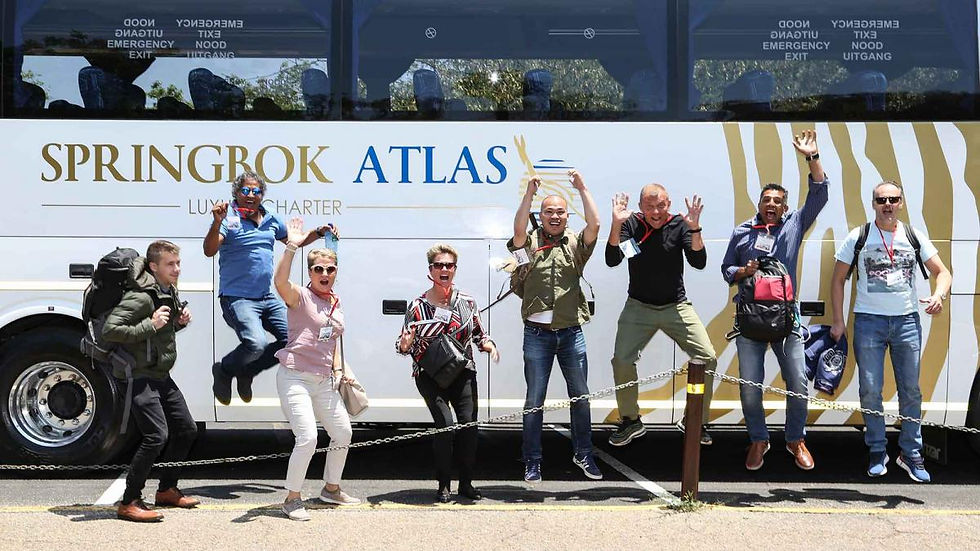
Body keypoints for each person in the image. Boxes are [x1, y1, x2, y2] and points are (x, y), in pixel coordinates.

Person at [720, 129, 828, 471]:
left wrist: (812, 158)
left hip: (786, 317)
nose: (771, 205)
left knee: (797, 381)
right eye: (766, 200)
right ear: (759, 204)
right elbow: (726, 269)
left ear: (785, 207)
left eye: (777, 201)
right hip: (750, 317)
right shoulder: (742, 232)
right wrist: (743, 271)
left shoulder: (794, 225)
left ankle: (796, 439)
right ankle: (758, 439)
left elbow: (820, 193)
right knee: (750, 386)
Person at [830, 180, 952, 482]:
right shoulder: (859, 236)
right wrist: (838, 320)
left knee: (910, 390)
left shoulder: (913, 236)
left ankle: (910, 452)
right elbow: (838, 279)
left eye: (893, 199)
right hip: (868, 322)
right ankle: (877, 450)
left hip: (906, 322)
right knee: (871, 389)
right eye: (881, 200)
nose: (887, 205)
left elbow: (943, 272)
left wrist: (939, 295)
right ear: (873, 204)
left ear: (901, 202)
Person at [204, 171, 334, 405]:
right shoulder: (228, 216)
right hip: (237, 298)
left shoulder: (271, 218)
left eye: (256, 191)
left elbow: (295, 241)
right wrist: (216, 223)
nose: (250, 195)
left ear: (262, 195)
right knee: (256, 344)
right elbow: (209, 250)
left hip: (266, 297)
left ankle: (247, 371)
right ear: (237, 193)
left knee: (294, 340)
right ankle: (224, 370)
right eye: (245, 190)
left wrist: (319, 233)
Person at [508, 170, 602, 484]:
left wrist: (582, 188)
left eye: (560, 211)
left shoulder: (575, 243)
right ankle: (532, 461)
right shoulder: (529, 243)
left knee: (581, 397)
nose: (555, 216)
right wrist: (529, 195)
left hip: (571, 332)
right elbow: (518, 229)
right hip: (536, 335)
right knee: (534, 400)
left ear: (566, 216)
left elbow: (595, 225)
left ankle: (584, 454)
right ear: (541, 215)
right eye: (549, 211)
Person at [605, 185, 717, 446]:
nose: (655, 212)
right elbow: (613, 259)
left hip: (676, 306)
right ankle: (631, 420)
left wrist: (695, 228)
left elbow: (698, 261)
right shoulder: (632, 224)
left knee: (707, 357)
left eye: (660, 206)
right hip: (638, 306)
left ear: (669, 204)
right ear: (641, 207)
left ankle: (695, 420)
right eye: (649, 207)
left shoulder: (680, 224)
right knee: (621, 361)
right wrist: (616, 224)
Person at [102, 240, 199, 522]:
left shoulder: (167, 290)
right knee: (156, 436)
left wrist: (177, 323)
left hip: (159, 374)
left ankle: (166, 490)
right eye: (170, 264)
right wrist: (150, 324)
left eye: (178, 263)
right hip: (138, 375)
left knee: (186, 429)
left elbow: (158, 335)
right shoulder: (141, 297)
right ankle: (129, 501)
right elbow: (111, 330)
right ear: (153, 266)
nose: (177, 269)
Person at [397, 244, 499, 503]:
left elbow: (480, 334)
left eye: (449, 265)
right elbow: (402, 343)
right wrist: (405, 345)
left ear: (455, 269)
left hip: (462, 372)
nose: (444, 269)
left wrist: (488, 345)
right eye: (439, 265)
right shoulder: (418, 305)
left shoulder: (467, 302)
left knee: (468, 426)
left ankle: (466, 484)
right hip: (430, 374)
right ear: (430, 270)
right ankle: (443, 485)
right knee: (445, 426)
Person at [272, 218, 360, 521]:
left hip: (324, 380)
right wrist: (292, 247)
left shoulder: (335, 301)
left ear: (336, 272)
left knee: (343, 433)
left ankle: (331, 489)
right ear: (310, 272)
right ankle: (292, 499)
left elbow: (331, 340)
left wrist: (340, 369)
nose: (324, 274)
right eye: (318, 269)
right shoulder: (300, 296)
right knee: (308, 437)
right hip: (294, 377)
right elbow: (279, 282)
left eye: (330, 269)